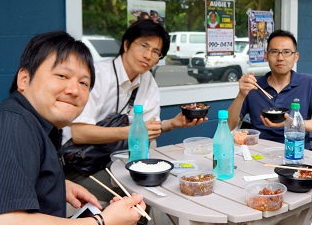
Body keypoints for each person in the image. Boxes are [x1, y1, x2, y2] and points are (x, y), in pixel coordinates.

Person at [0, 31, 146, 225]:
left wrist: (57, 185)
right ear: (24, 79)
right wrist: (103, 223)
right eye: (62, 76)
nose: (74, 90)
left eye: (83, 83)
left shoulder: (40, 125)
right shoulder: (9, 123)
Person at [62, 19, 206, 197]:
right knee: (140, 191)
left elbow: (146, 130)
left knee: (152, 180)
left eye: (156, 52)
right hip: (80, 167)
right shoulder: (96, 75)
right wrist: (130, 132)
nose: (148, 56)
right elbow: (79, 134)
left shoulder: (147, 82)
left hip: (115, 161)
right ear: (126, 44)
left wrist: (173, 123)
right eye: (144, 46)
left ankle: (139, 224)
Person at [227, 29, 312, 147]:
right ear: (266, 56)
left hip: (295, 153)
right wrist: (241, 94)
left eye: (286, 52)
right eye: (274, 52)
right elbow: (227, 126)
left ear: (296, 57)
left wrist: (292, 123)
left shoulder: (309, 83)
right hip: (257, 151)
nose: (280, 58)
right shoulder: (254, 85)